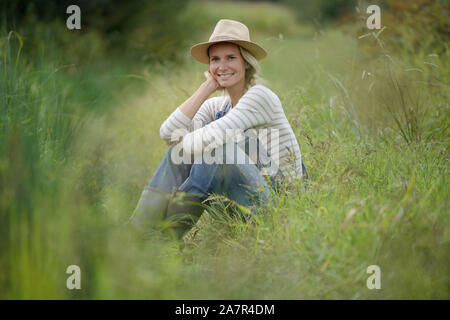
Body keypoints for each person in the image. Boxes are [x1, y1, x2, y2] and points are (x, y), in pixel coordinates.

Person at [129, 19, 308, 239]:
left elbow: (206, 140)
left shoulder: (260, 97)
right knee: (181, 151)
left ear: (246, 62)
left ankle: (164, 239)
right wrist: (206, 88)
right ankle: (137, 233)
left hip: (278, 209)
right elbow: (167, 133)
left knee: (214, 149)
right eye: (215, 59)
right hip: (238, 201)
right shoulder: (218, 106)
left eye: (231, 58)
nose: (222, 66)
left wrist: (180, 143)